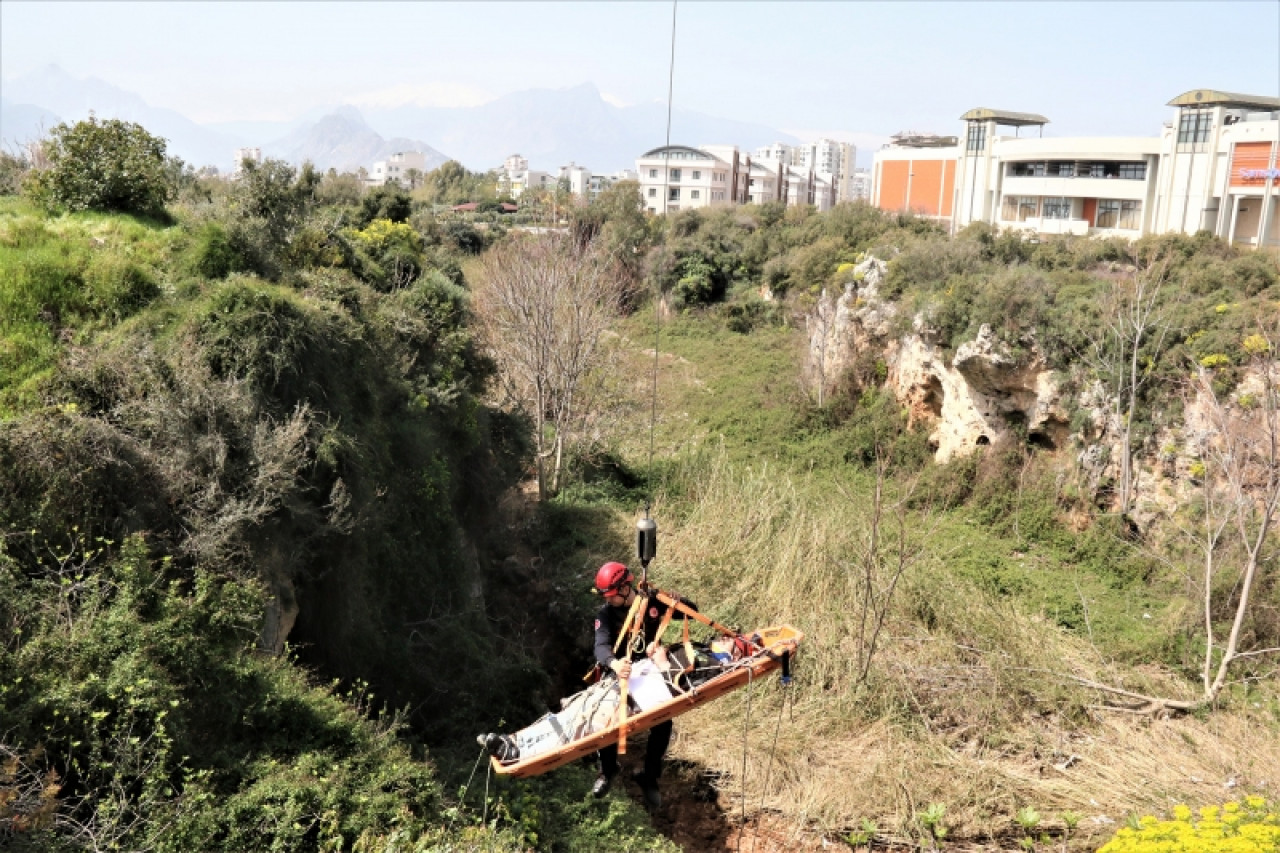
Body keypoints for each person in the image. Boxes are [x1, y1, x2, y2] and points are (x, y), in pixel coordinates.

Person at [590, 560, 696, 809]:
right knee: (607, 718)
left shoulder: (651, 602)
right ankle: (607, 770)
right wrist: (614, 664)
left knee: (663, 722)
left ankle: (649, 776)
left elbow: (690, 612)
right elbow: (600, 645)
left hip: (647, 669)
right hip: (620, 671)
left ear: (626, 588)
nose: (610, 600)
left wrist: (677, 600)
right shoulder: (605, 614)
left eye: (613, 595)